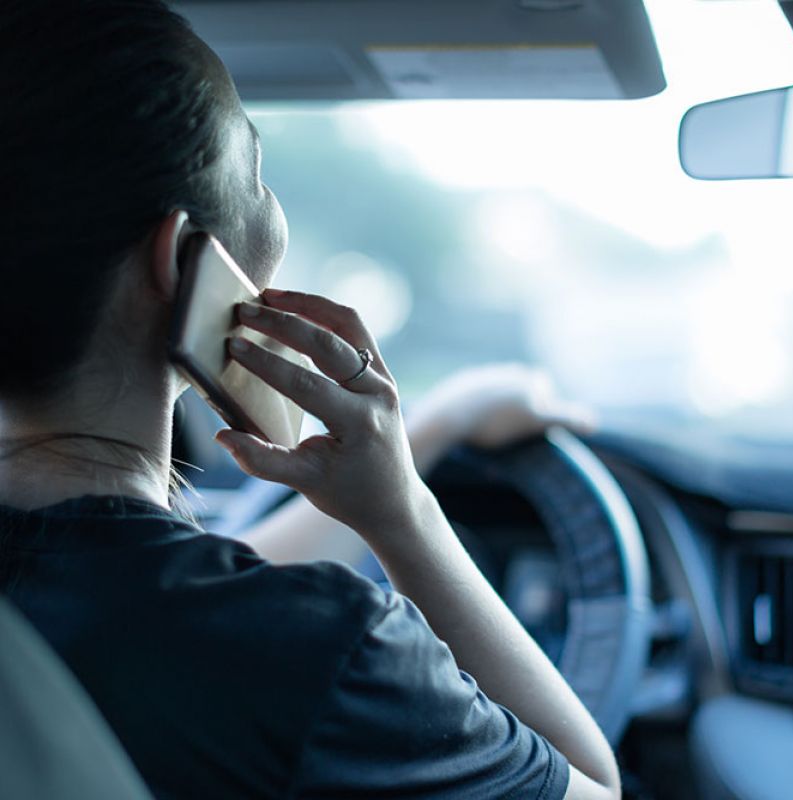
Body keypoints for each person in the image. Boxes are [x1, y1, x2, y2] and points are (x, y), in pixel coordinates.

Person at [0, 2, 620, 798]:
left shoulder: (208, 625)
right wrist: (403, 516)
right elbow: (597, 788)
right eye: (256, 176)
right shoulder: (331, 655)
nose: (270, 204)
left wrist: (438, 426)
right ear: (179, 259)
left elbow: (182, 592)